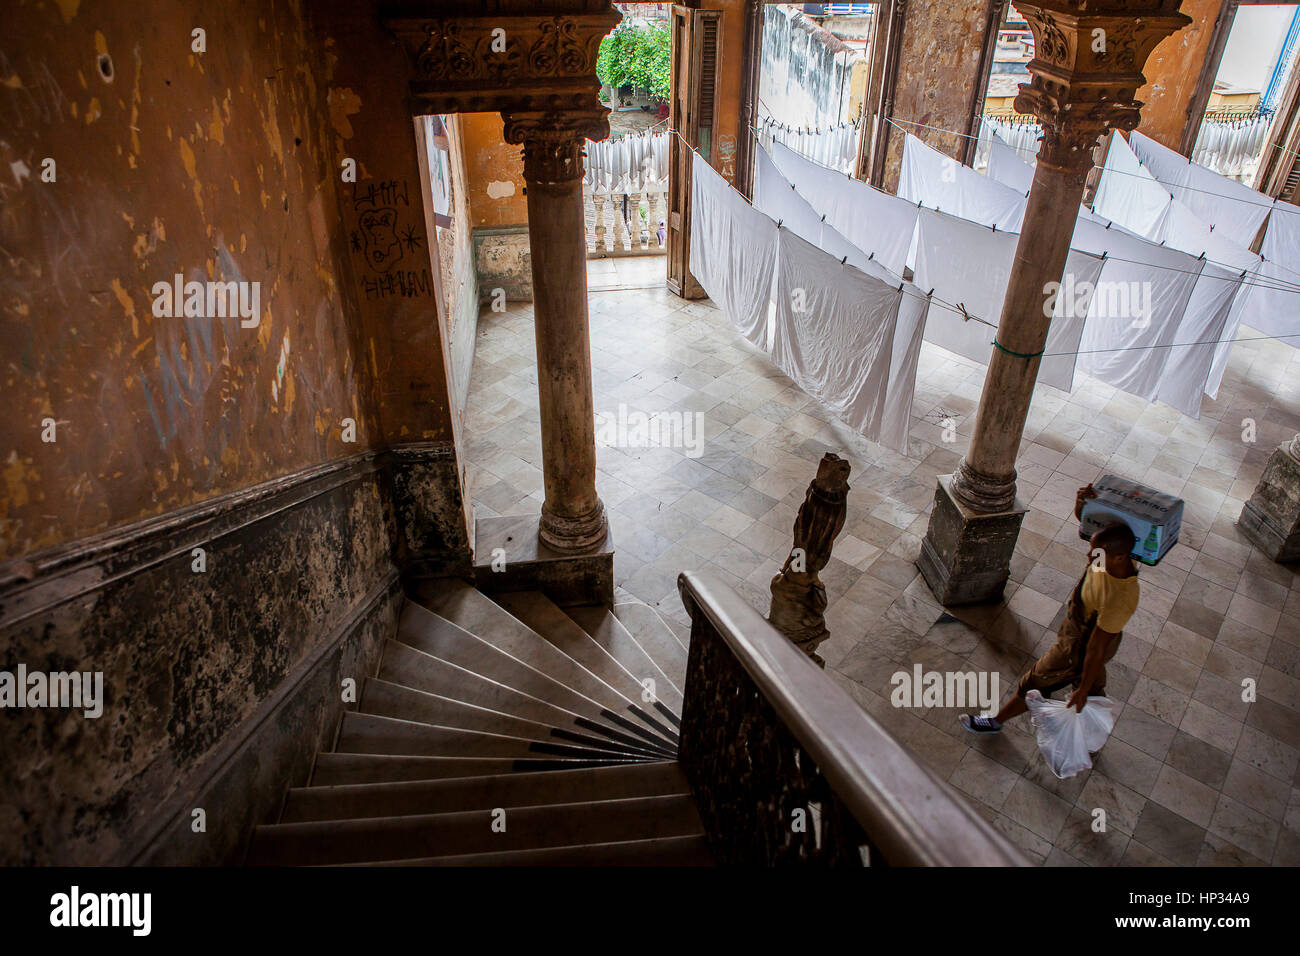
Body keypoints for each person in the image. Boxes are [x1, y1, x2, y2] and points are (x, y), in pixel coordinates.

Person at [960, 484, 1140, 734]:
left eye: (1095, 553)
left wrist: (1083, 688)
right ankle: (1091, 726)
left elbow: (1096, 648)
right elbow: (1091, 532)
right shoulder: (1111, 555)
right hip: (1082, 627)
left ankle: (995, 721)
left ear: (1120, 557)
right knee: (1090, 685)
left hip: (1081, 643)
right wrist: (1081, 506)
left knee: (1037, 680)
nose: (1090, 557)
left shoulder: (1119, 599)